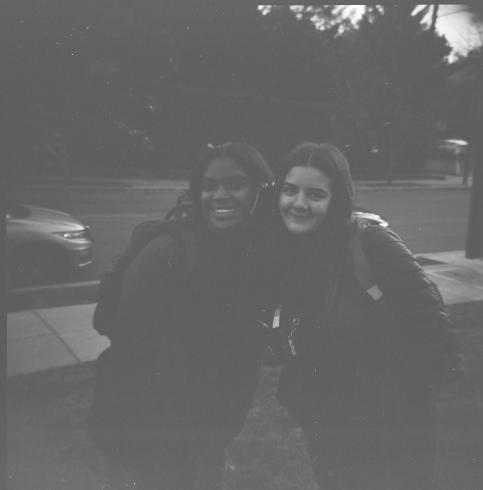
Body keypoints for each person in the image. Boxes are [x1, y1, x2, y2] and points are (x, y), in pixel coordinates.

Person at [270, 142, 459, 490]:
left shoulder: (372, 244)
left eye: (315, 194)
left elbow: (437, 337)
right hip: (329, 431)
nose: (299, 203)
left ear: (337, 199)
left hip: (390, 436)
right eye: (289, 190)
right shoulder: (289, 252)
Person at [89, 142, 275, 490]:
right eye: (209, 186)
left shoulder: (252, 250)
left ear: (259, 191)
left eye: (235, 184)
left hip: (208, 432)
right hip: (146, 434)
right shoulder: (170, 250)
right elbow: (127, 339)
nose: (220, 195)